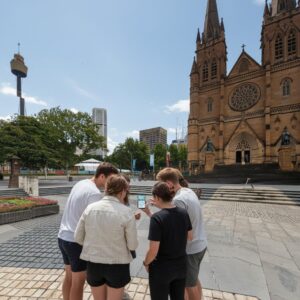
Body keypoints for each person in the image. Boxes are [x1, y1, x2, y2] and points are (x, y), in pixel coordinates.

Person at [58, 163, 118, 300]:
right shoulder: (95, 194)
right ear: (102, 176)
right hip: (76, 241)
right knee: (78, 282)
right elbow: (95, 224)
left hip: (63, 236)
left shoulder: (81, 183)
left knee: (69, 277)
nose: (112, 183)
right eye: (111, 179)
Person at [74, 174, 138, 300]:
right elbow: (133, 245)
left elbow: (78, 237)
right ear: (123, 191)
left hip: (93, 263)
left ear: (106, 189)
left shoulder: (90, 208)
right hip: (117, 264)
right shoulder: (126, 212)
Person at [156, 168, 207, 300]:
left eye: (161, 185)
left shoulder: (178, 200)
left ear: (169, 183)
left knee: (189, 285)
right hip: (200, 244)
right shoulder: (188, 191)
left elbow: (175, 232)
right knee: (194, 280)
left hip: (190, 249)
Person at [142, 182, 192, 300]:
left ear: (158, 197)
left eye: (154, 197)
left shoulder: (157, 218)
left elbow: (153, 250)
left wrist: (146, 262)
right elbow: (190, 236)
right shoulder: (183, 213)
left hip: (162, 268)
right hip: (180, 265)